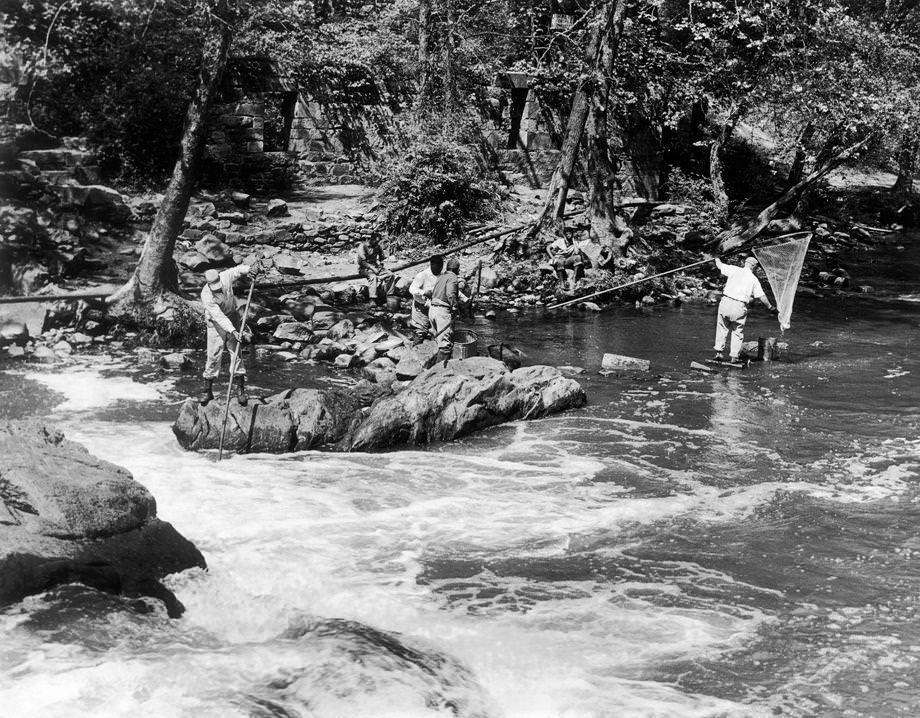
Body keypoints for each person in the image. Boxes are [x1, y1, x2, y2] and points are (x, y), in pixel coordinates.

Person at [200, 264, 254, 406]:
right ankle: (207, 391)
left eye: (218, 284)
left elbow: (236, 270)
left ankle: (240, 390)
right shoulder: (206, 295)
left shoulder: (224, 277)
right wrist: (233, 331)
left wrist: (250, 269)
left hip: (232, 316)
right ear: (208, 284)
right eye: (215, 286)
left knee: (236, 353)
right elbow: (219, 317)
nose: (218, 288)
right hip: (215, 323)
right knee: (214, 354)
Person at [712, 255, 776, 363]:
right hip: (739, 306)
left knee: (722, 328)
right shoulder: (753, 279)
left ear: (745, 263)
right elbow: (761, 296)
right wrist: (770, 307)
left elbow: (719, 265)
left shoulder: (733, 269)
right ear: (754, 267)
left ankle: (718, 353)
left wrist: (716, 257)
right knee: (737, 332)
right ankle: (734, 357)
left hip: (725, 302)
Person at [429, 256, 464, 363]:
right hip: (442, 312)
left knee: (438, 340)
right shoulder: (453, 278)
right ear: (456, 270)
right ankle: (438, 373)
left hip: (433, 310)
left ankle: (431, 367)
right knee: (445, 344)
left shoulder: (441, 277)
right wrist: (455, 306)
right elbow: (450, 294)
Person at [408, 254, 444, 344]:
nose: (440, 269)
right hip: (420, 308)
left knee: (437, 333)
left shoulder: (442, 276)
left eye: (441, 267)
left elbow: (450, 288)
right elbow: (411, 289)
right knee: (420, 333)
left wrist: (464, 299)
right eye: (437, 267)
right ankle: (415, 352)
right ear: (431, 265)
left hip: (434, 308)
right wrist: (424, 292)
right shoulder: (422, 275)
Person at [356, 233, 396, 305]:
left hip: (375, 266)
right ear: (371, 239)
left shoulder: (377, 246)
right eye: (375, 241)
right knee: (373, 277)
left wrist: (379, 263)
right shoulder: (362, 246)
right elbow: (362, 262)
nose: (376, 243)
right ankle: (372, 299)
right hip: (364, 268)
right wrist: (372, 268)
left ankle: (389, 295)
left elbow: (381, 257)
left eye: (378, 241)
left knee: (390, 275)